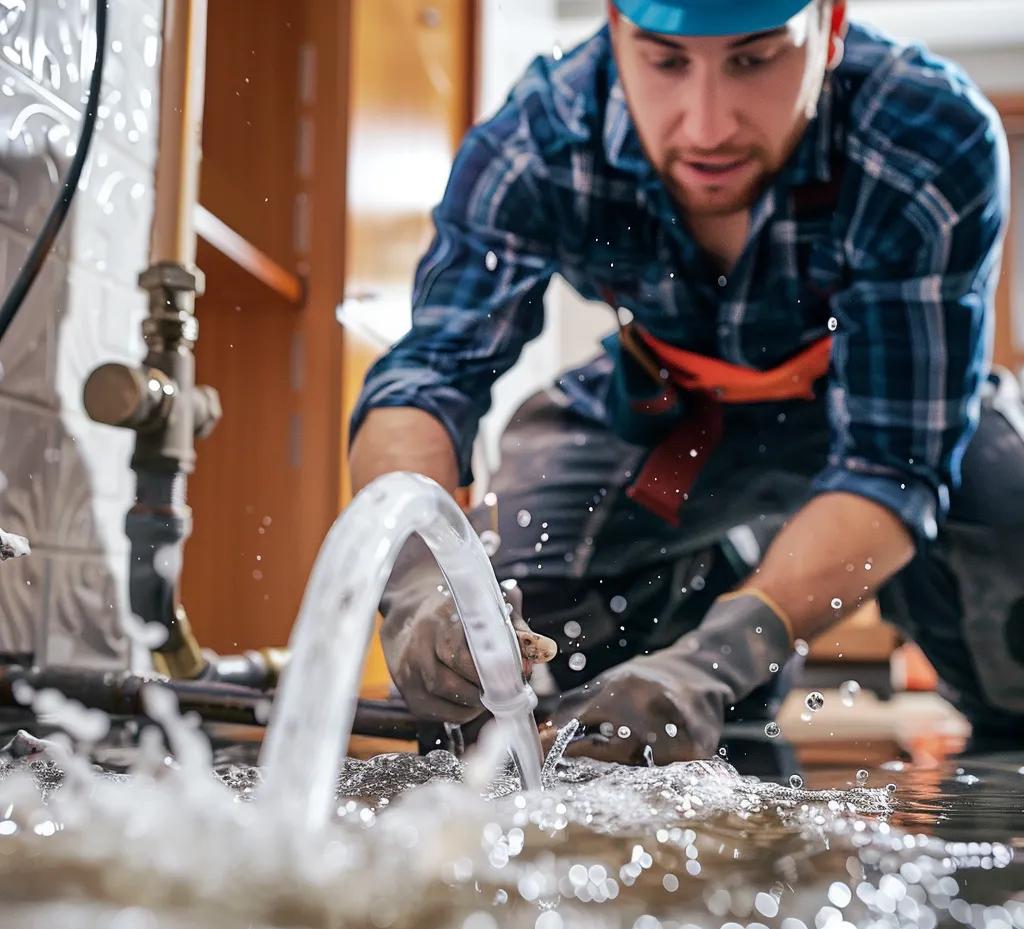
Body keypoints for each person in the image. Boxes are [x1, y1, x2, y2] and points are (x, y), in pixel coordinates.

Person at [349, 0, 1024, 763]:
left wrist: (718, 661)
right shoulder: (539, 137)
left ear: (829, 28)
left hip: (878, 406)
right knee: (530, 654)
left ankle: (746, 639)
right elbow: (430, 374)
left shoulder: (927, 134)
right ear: (614, 34)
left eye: (754, 59)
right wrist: (419, 578)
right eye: (667, 62)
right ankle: (719, 586)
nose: (707, 128)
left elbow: (893, 463)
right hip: (671, 415)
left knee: (1014, 615)